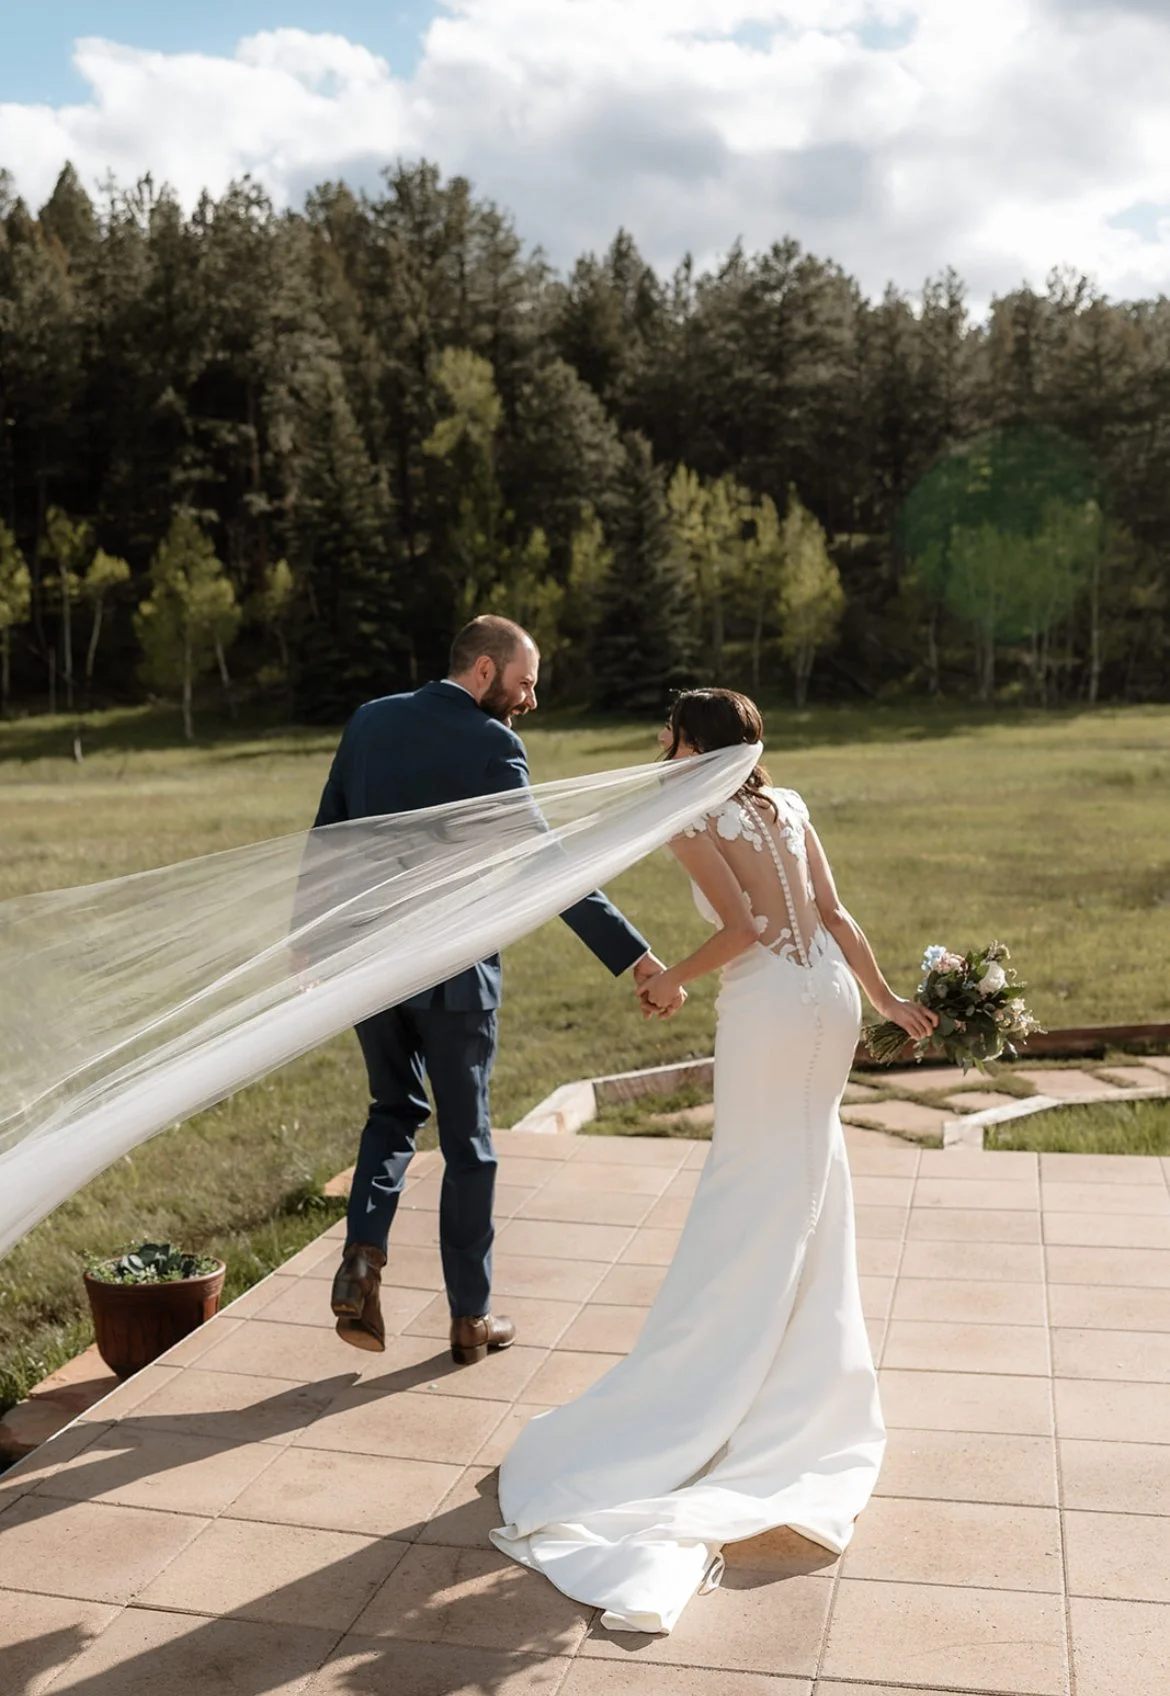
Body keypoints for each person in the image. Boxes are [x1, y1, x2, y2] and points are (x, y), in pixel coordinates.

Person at [491, 687, 937, 1634]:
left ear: (697, 744)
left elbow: (748, 932)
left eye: (671, 732)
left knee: (747, 1182)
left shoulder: (697, 813)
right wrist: (891, 1001)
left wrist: (668, 982)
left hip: (772, 1006)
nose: (661, 743)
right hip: (833, 1003)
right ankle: (802, 1377)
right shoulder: (789, 803)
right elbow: (834, 914)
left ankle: (715, 1383)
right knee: (809, 1172)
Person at [312, 616, 682, 1363]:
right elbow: (548, 865)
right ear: (483, 671)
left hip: (372, 968)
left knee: (391, 1111)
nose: (532, 699)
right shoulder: (492, 747)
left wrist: (310, 942)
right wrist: (635, 956)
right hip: (454, 979)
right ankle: (470, 1319)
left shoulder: (370, 721)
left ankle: (362, 1257)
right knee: (467, 1145)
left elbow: (329, 838)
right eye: (525, 681)